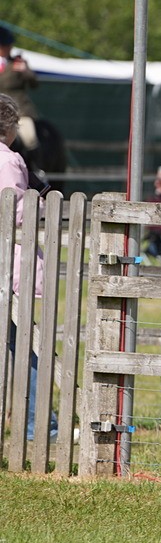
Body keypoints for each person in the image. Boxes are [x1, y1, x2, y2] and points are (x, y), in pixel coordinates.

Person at [0, 92, 57, 440]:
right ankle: (41, 425)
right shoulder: (8, 160)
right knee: (25, 345)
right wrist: (45, 204)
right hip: (9, 265)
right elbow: (19, 212)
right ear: (9, 127)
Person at [0, 26, 40, 152]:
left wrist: (25, 71)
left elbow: (34, 84)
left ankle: (33, 162)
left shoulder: (18, 63)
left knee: (29, 138)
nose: (7, 48)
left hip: (18, 110)